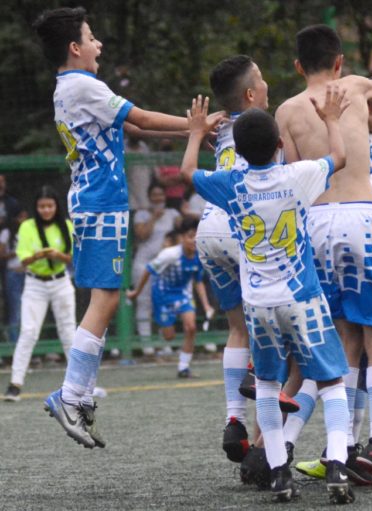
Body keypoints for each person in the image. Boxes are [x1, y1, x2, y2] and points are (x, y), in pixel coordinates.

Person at [33, 6, 215, 448]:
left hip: (99, 204)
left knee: (107, 300)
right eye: (92, 37)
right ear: (75, 48)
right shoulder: (82, 86)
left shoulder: (76, 87)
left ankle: (77, 395)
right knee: (105, 300)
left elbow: (133, 125)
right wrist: (194, 126)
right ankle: (71, 395)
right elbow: (146, 118)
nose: (99, 45)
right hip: (99, 206)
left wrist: (192, 134)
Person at [183, 90, 356, 504]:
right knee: (332, 378)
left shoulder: (231, 182)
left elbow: (188, 170)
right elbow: (340, 157)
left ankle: (279, 473)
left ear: (237, 151)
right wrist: (332, 118)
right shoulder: (298, 175)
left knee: (265, 384)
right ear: (280, 144)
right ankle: (336, 462)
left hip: (258, 303)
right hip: (303, 297)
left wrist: (194, 133)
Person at [275, 24, 372, 487]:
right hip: (361, 216)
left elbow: (295, 173)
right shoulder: (353, 86)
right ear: (338, 62)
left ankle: (344, 445)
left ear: (296, 66)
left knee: (344, 334)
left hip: (316, 223)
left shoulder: (287, 110)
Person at [198, 54, 297, 465]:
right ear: (252, 94)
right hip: (244, 227)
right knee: (285, 326)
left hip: (207, 231)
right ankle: (267, 431)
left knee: (237, 327)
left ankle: (235, 422)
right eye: (262, 79)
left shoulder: (222, 127)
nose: (269, 84)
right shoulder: (265, 128)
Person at [3, 188, 73, 401]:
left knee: (69, 332)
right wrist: (38, 256)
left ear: (56, 207)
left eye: (50, 206)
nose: (46, 210)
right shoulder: (27, 226)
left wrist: (57, 254)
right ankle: (15, 384)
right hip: (35, 284)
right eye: (42, 206)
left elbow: (71, 258)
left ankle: (80, 385)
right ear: (36, 207)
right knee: (29, 332)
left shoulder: (66, 225)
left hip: (60, 282)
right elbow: (23, 260)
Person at [127, 219, 214, 378]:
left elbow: (198, 282)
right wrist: (136, 292)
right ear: (182, 238)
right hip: (162, 295)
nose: (193, 240)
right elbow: (148, 270)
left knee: (191, 327)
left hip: (182, 294)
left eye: (197, 236)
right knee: (169, 336)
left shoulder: (200, 256)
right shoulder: (170, 254)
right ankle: (166, 331)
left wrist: (206, 305)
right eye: (189, 236)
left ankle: (183, 367)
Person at [132, 183, 182, 347]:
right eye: (154, 195)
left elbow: (182, 230)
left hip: (165, 265)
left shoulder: (172, 213)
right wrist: (153, 217)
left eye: (161, 195)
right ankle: (146, 344)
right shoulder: (141, 214)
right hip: (143, 264)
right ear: (149, 197)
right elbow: (142, 235)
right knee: (144, 302)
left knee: (164, 303)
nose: (158, 198)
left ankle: (165, 344)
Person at [0, 207, 28, 345]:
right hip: (13, 274)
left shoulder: (29, 232)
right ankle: (13, 343)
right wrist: (17, 252)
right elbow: (2, 254)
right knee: (15, 309)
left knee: (28, 310)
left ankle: (27, 345)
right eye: (20, 217)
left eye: (25, 217)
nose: (23, 220)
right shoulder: (7, 232)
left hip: (28, 273)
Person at [155, 138, 187, 210]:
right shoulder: (158, 161)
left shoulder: (177, 160)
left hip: (180, 196)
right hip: (164, 197)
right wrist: (176, 179)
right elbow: (161, 181)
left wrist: (168, 178)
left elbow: (183, 176)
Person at [125, 136, 154, 211]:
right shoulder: (123, 145)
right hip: (129, 179)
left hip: (144, 177)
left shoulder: (143, 146)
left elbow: (149, 163)